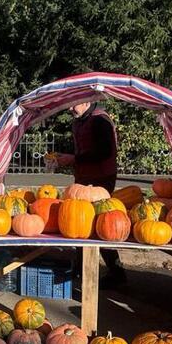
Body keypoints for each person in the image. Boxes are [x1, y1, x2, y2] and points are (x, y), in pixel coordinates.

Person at [55, 102, 126, 287]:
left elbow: (105, 152)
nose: (69, 109)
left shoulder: (100, 121)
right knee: (80, 224)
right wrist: (72, 159)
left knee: (101, 224)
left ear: (86, 100)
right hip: (85, 178)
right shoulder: (80, 120)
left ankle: (116, 273)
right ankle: (79, 269)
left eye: (73, 105)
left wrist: (74, 159)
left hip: (101, 180)